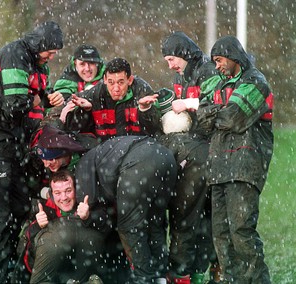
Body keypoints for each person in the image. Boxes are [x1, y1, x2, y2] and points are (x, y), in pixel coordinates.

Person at [0, 21, 64, 283]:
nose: (53, 56)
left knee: (19, 205)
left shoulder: (36, 63)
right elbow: (15, 105)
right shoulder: (14, 55)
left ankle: (0, 268)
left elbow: (33, 97)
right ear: (39, 44)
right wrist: (38, 99)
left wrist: (48, 97)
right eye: (51, 50)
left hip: (10, 141)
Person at [192, 35, 274, 283]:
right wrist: (217, 112)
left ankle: (258, 280)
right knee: (221, 234)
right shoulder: (216, 84)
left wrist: (213, 112)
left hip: (245, 166)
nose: (216, 66)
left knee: (242, 232)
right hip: (218, 168)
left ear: (233, 55)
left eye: (219, 60)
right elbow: (202, 119)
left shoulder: (256, 82)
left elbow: (234, 119)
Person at [161, 31, 222, 284]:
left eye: (172, 58)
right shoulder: (180, 75)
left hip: (207, 151)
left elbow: (212, 107)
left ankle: (194, 273)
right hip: (194, 149)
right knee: (198, 218)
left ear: (184, 53)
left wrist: (186, 104)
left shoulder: (207, 70)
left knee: (198, 218)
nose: (170, 65)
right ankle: (195, 273)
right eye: (167, 61)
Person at [75, 135, 177, 283]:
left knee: (128, 227)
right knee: (155, 223)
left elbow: (91, 205)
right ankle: (160, 277)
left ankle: (144, 279)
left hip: (140, 162)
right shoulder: (106, 151)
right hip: (165, 156)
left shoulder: (84, 164)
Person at [20, 169, 105, 284]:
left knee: (92, 236)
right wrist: (39, 225)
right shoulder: (44, 208)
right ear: (51, 194)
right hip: (50, 268)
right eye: (58, 193)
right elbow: (27, 237)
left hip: (76, 265)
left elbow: (106, 224)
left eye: (68, 190)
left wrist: (88, 217)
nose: (64, 197)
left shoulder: (85, 204)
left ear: (76, 190)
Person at [60, 57, 161, 140]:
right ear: (104, 80)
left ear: (129, 80)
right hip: (106, 153)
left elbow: (154, 128)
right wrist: (85, 110)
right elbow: (73, 127)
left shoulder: (143, 92)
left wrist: (145, 109)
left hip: (137, 149)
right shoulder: (94, 94)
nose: (116, 89)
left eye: (121, 82)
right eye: (111, 82)